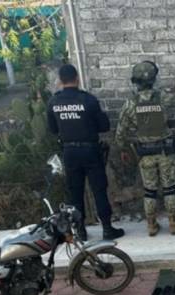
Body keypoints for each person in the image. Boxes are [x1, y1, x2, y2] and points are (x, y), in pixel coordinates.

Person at [114, 49, 175, 236]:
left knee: (149, 191)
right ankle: (173, 223)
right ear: (153, 79)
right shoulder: (163, 97)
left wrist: (123, 149)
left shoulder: (130, 104)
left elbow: (120, 134)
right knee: (169, 189)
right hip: (165, 152)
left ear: (135, 81)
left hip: (145, 154)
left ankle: (151, 225)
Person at [46, 64, 124, 240]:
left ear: (60, 81)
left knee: (75, 192)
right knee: (99, 190)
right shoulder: (88, 100)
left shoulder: (53, 102)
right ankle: (107, 228)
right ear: (77, 79)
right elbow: (104, 126)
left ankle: (80, 231)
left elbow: (52, 129)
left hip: (69, 151)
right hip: (90, 150)